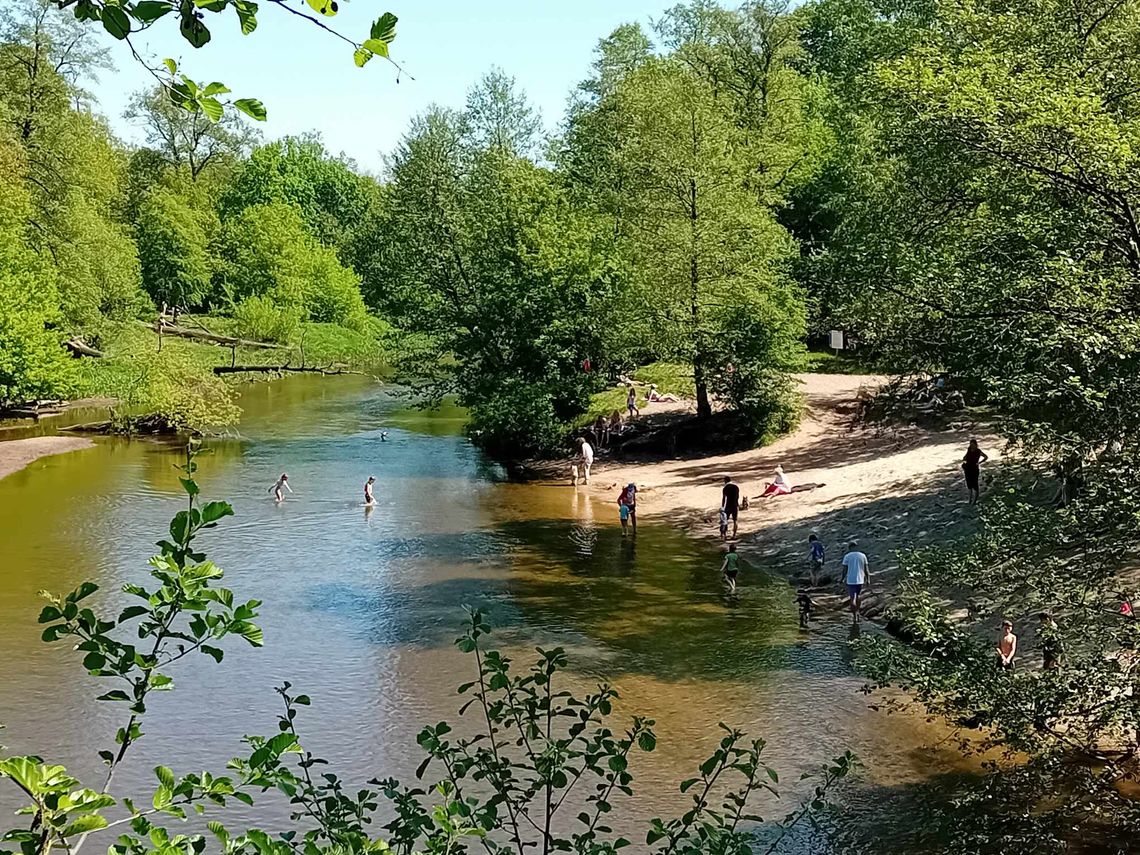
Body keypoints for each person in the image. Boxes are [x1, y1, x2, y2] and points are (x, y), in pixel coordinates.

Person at [841, 541, 871, 622]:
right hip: (860, 579)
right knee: (858, 596)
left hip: (851, 580)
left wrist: (842, 579)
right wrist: (868, 579)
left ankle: (854, 616)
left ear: (849, 547)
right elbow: (866, 569)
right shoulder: (863, 556)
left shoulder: (847, 556)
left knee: (852, 598)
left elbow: (844, 570)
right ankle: (857, 611)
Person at [962, 439, 989, 505]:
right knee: (969, 485)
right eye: (971, 444)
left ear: (976, 445)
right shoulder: (969, 450)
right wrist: (964, 460)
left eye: (973, 444)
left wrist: (979, 462)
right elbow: (965, 457)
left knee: (975, 485)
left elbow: (986, 457)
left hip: (974, 469)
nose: (972, 446)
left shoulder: (978, 451)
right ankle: (970, 500)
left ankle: (974, 501)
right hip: (967, 469)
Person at [721, 475, 741, 540]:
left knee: (725, 520)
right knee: (735, 520)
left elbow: (724, 498)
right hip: (735, 505)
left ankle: (724, 534)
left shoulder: (725, 488)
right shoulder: (736, 487)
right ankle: (734, 535)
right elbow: (737, 497)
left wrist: (722, 507)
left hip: (728, 506)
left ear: (725, 481)